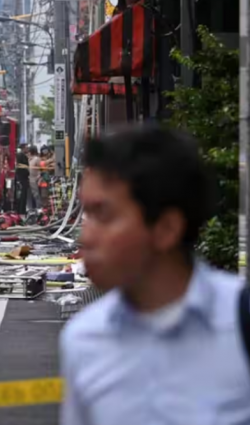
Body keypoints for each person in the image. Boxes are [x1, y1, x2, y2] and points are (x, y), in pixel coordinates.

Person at [60, 124, 250, 424]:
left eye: (103, 215)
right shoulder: (84, 338)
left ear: (166, 229)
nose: (85, 236)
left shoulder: (240, 321)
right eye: (86, 214)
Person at [15, 143, 30, 214]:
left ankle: (22, 209)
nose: (27, 149)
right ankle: (21, 210)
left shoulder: (23, 155)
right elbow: (21, 166)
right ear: (23, 148)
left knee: (24, 195)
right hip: (22, 177)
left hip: (24, 177)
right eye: (26, 148)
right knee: (22, 195)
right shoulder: (20, 155)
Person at [27, 145, 41, 210]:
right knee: (30, 195)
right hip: (29, 178)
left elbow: (41, 169)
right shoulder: (29, 159)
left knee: (36, 194)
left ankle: (38, 208)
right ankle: (31, 208)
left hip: (34, 179)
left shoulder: (37, 159)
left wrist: (38, 177)